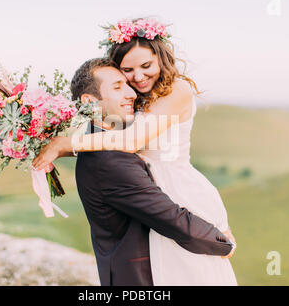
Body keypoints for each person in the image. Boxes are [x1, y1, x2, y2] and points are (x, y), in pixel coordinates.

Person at [33, 18, 237, 285]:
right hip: (156, 191)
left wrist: (67, 144)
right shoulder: (135, 96)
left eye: (146, 66)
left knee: (196, 272)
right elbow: (112, 143)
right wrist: (58, 145)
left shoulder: (177, 90)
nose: (138, 76)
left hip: (183, 191)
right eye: (127, 70)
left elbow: (130, 142)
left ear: (161, 59)